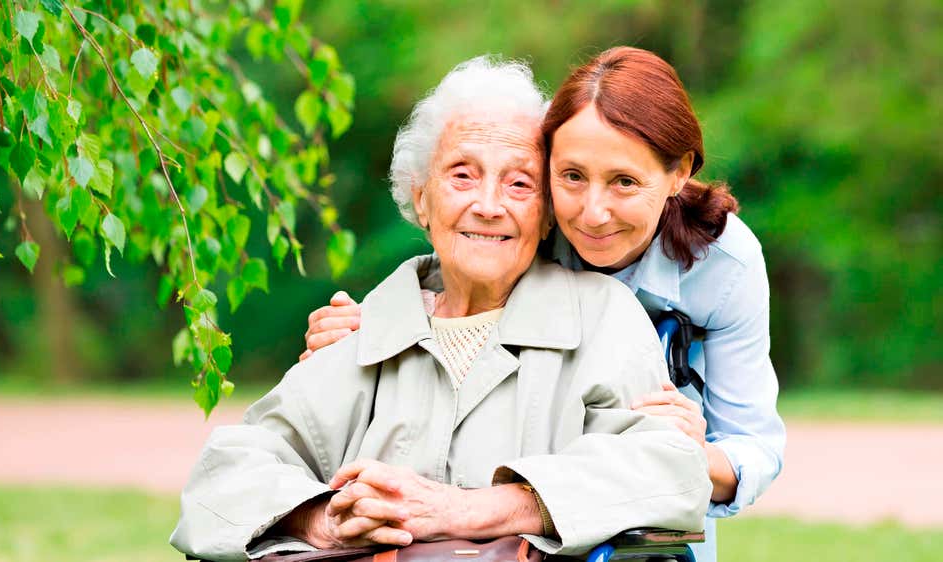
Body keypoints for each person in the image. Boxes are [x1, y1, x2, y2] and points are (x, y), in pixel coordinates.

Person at [170, 56, 711, 562]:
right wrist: (322, 520)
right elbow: (226, 475)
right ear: (421, 198)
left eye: (519, 183)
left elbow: (669, 469)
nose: (489, 205)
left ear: (547, 213)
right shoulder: (366, 328)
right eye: (462, 174)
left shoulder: (601, 316)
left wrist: (469, 510)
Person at [299, 47, 785, 561]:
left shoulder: (724, 264)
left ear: (678, 172)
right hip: (528, 491)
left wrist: (690, 454)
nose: (592, 214)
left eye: (624, 182)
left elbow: (754, 447)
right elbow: (456, 282)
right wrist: (365, 328)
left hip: (645, 495)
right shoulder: (525, 221)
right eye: (572, 176)